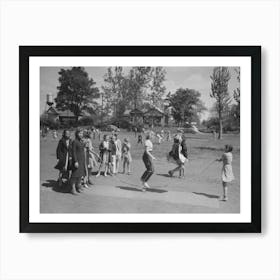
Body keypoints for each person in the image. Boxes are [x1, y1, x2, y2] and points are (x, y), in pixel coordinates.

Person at [70, 129, 87, 195]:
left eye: (82, 133)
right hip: (77, 161)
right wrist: (75, 161)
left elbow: (82, 150)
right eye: (80, 133)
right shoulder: (75, 141)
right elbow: (73, 152)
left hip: (81, 160)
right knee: (74, 175)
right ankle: (73, 189)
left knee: (80, 175)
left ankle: (78, 187)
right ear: (77, 134)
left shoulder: (81, 141)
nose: (81, 134)